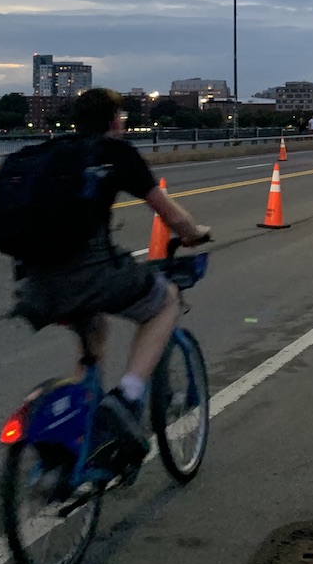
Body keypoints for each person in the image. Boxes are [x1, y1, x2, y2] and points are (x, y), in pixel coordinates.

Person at [12, 88, 211, 466]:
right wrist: (193, 233)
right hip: (89, 274)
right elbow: (172, 217)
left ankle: (74, 434)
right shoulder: (115, 154)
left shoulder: (50, 154)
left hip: (33, 282)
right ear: (115, 120)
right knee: (165, 300)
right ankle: (127, 397)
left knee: (93, 329)